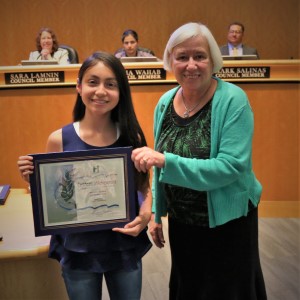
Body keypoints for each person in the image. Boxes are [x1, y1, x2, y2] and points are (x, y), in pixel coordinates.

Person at [131, 22, 267, 300]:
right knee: (190, 289)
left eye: (199, 56)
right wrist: (157, 213)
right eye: (182, 57)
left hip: (228, 224)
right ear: (171, 61)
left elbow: (229, 167)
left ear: (213, 60)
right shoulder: (165, 102)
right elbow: (159, 170)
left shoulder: (233, 100)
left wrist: (166, 161)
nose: (191, 65)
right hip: (184, 223)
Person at [17, 51, 152, 300]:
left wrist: (145, 215)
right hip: (78, 246)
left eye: (110, 84)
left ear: (121, 91)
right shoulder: (58, 139)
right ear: (79, 86)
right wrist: (34, 181)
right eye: (93, 82)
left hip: (122, 244)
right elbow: (55, 196)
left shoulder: (132, 138)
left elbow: (143, 185)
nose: (101, 91)